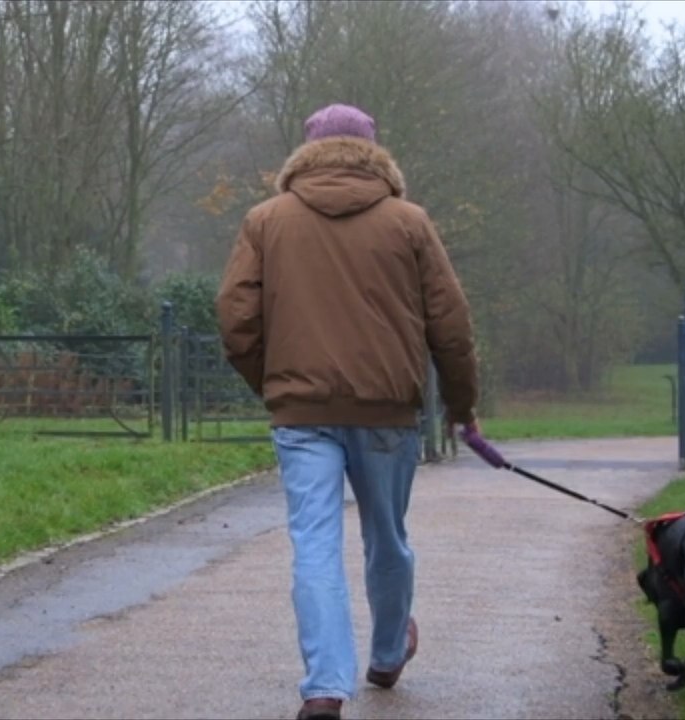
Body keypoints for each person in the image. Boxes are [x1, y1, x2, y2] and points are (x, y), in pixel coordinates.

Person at [214, 103, 479, 720]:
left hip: (301, 413)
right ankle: (387, 653)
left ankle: (326, 687)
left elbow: (235, 319)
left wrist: (276, 384)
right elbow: (452, 324)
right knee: (387, 537)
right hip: (387, 410)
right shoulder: (409, 223)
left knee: (314, 545)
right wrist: (462, 406)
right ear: (372, 152)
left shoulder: (265, 221)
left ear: (306, 153)